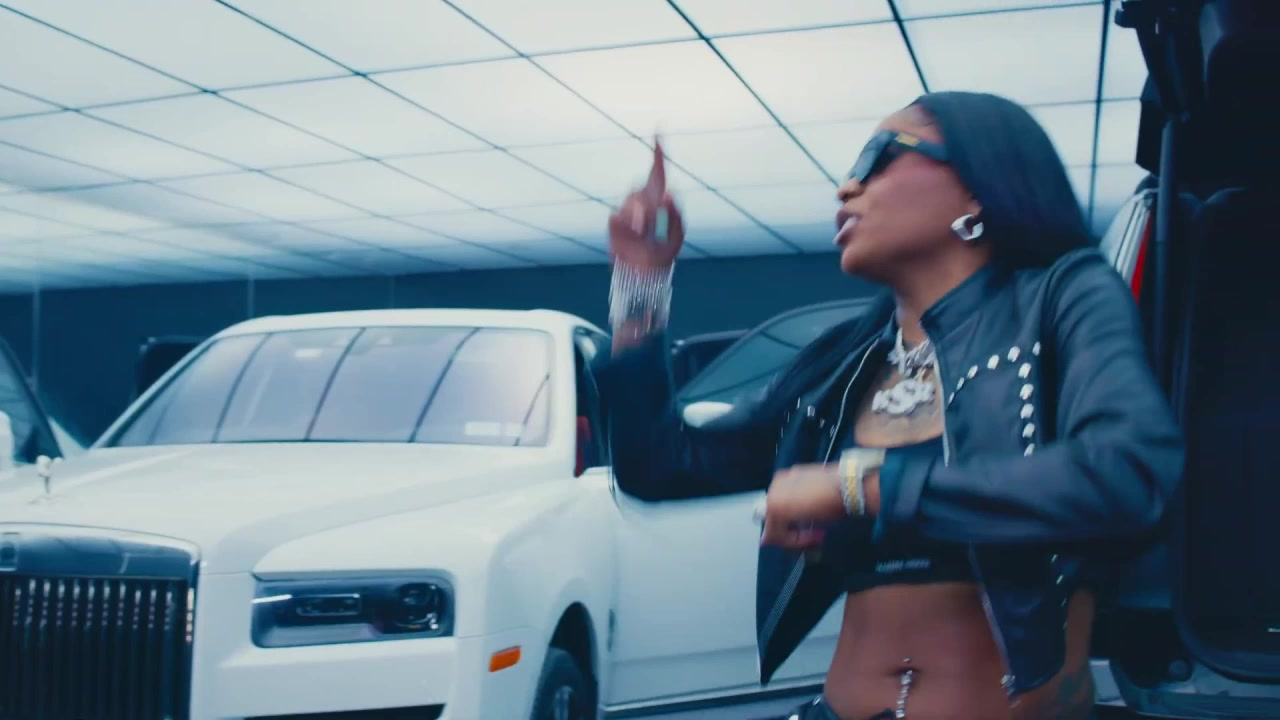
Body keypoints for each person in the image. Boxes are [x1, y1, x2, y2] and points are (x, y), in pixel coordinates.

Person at [596, 91, 1185, 720]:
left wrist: (862, 487)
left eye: (879, 158)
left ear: (977, 186)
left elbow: (1125, 473)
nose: (847, 185)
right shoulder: (841, 365)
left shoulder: (1063, 297)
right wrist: (641, 280)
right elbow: (660, 465)